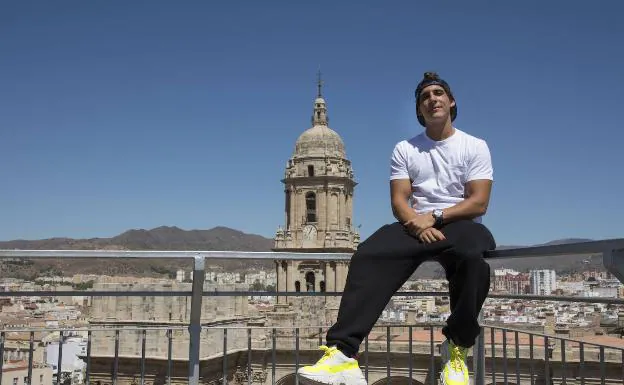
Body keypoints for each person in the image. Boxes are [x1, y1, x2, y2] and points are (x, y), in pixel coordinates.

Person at [297, 71, 496, 385]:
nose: (432, 99)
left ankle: (457, 347)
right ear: (419, 110)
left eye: (438, 93)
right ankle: (342, 354)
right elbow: (399, 200)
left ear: (451, 101)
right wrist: (417, 225)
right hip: (416, 223)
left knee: (474, 259)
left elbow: (478, 202)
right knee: (368, 254)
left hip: (459, 222)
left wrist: (436, 217)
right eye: (424, 97)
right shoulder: (405, 149)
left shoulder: (475, 146)